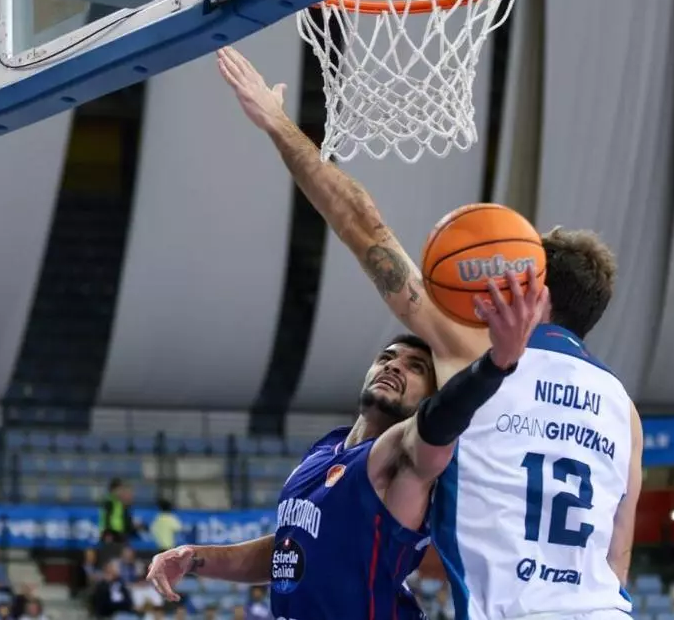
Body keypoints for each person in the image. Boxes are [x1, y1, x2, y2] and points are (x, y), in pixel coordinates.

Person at [216, 45, 643, 620]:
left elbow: (362, 225)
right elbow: (618, 558)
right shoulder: (624, 410)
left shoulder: (474, 350)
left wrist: (278, 125)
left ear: (533, 290)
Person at [147, 272, 545, 619]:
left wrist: (495, 364)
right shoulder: (325, 449)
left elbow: (438, 424)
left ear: (431, 397)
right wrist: (195, 557)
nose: (394, 365)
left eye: (415, 367)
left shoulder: (402, 457)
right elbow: (287, 550)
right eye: (386, 358)